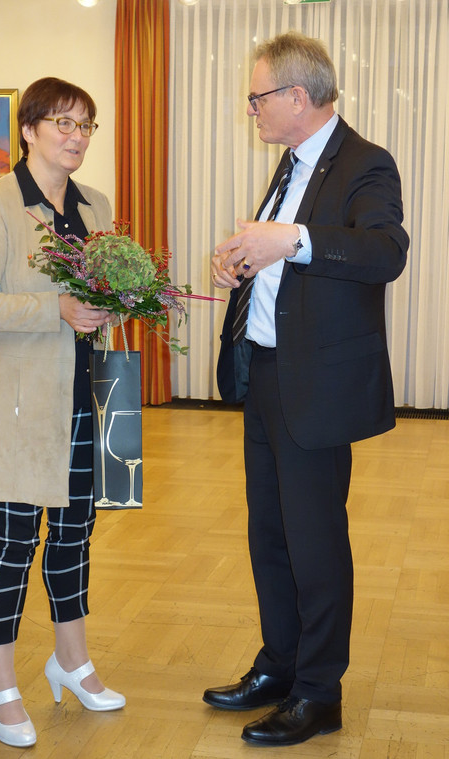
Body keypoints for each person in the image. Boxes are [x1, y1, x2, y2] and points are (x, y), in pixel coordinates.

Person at [205, 32, 408, 747]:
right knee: (270, 534)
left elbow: (386, 252)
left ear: (297, 96)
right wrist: (242, 264)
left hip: (315, 387)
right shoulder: (290, 162)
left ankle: (320, 691)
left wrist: (289, 240)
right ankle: (280, 662)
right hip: (264, 373)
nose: (251, 108)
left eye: (258, 96)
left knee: (315, 540)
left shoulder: (364, 162)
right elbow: (284, 264)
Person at [0, 77, 125, 749]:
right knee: (14, 542)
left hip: (85, 398)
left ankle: (72, 660)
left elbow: (100, 292)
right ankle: (1, 682)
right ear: (27, 130)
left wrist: (118, 303)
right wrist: (52, 308)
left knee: (75, 536)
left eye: (87, 125)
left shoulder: (95, 202)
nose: (77, 136)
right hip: (21, 407)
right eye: (63, 123)